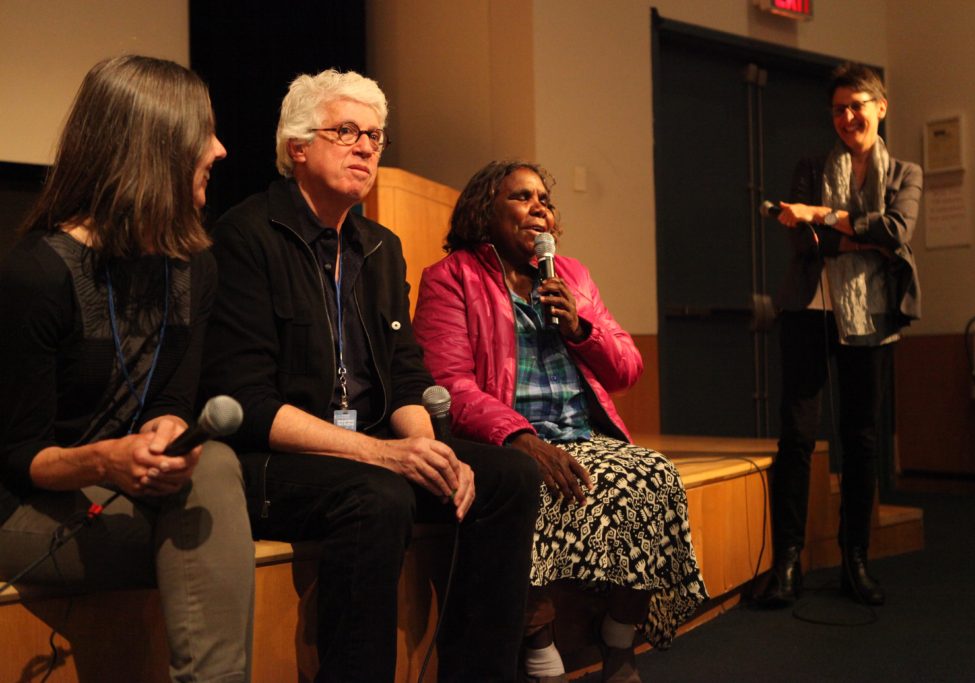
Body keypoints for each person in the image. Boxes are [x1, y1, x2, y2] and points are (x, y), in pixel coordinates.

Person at [199, 69, 541, 683]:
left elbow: (406, 375)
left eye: (376, 137)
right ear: (296, 147)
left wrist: (425, 447)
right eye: (347, 131)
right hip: (276, 459)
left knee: (509, 474)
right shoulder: (245, 235)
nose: (365, 147)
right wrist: (386, 456)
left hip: (368, 443)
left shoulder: (380, 246)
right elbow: (247, 403)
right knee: (377, 493)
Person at [0, 56, 253, 682]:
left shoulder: (194, 266)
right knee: (204, 544)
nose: (220, 150)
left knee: (213, 462)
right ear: (156, 147)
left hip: (135, 493)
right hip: (33, 503)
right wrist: (105, 460)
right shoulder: (37, 274)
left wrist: (167, 434)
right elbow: (15, 455)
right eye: (205, 134)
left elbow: (170, 396)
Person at [413, 160, 708, 683]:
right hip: (507, 439)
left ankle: (619, 635)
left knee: (654, 477)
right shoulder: (451, 277)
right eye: (521, 197)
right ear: (485, 210)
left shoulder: (571, 275)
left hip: (578, 433)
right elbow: (450, 383)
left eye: (544, 200)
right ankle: (539, 641)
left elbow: (627, 369)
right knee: (531, 487)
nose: (539, 208)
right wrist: (519, 436)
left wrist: (580, 327)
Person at [754, 62, 922, 608]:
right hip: (808, 310)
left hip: (870, 316)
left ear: (881, 107)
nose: (849, 117)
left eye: (858, 105)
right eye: (839, 109)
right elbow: (808, 246)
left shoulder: (906, 175)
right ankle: (787, 563)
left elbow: (897, 232)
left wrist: (823, 214)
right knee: (797, 437)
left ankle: (855, 562)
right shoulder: (809, 164)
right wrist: (857, 235)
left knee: (862, 439)